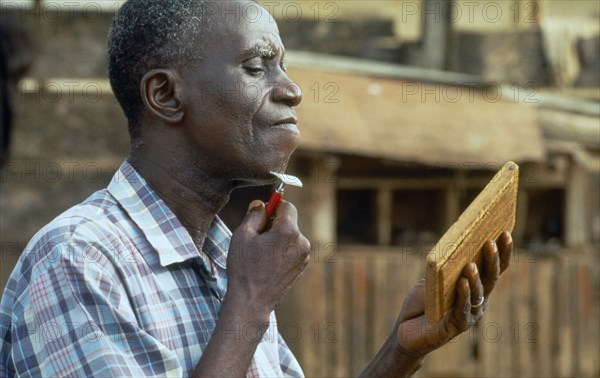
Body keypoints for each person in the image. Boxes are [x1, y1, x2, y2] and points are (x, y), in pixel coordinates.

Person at [0, 1, 513, 376]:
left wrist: (401, 351)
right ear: (165, 95)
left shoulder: (228, 256)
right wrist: (250, 300)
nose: (292, 89)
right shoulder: (79, 261)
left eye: (282, 65)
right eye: (256, 66)